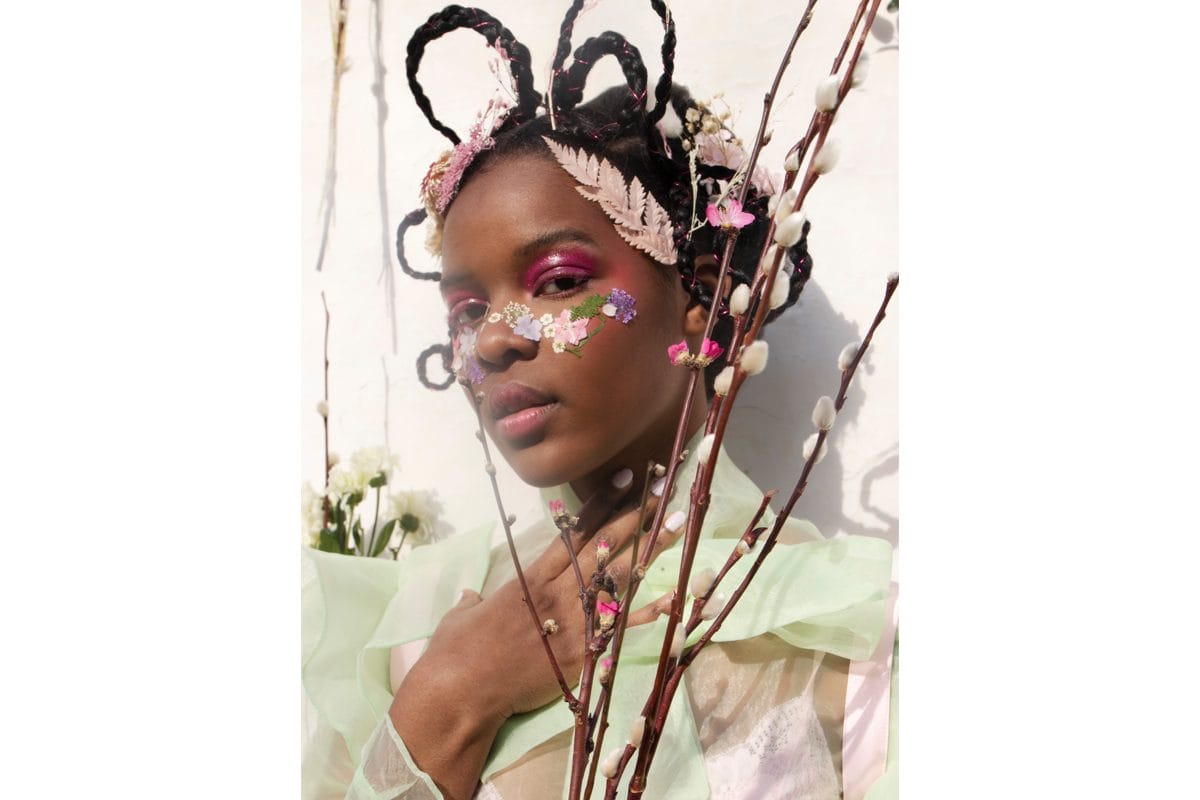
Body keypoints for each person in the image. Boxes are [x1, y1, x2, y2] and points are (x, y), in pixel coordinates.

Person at [302, 3, 897, 799]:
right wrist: (452, 699)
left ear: (702, 299)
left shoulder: (848, 640)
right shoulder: (410, 627)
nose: (491, 341)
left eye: (558, 282)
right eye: (466, 312)